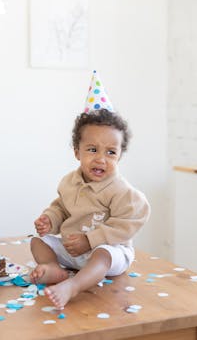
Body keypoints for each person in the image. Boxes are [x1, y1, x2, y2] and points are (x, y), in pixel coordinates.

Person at [30, 71, 150, 309]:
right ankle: (54, 269)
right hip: (75, 251)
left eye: (111, 152)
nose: (101, 159)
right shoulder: (68, 182)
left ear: (120, 156)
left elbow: (134, 217)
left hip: (109, 253)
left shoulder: (120, 190)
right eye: (92, 150)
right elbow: (61, 208)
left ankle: (72, 287)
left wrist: (91, 240)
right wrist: (49, 220)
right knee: (36, 241)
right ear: (77, 152)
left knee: (103, 254)